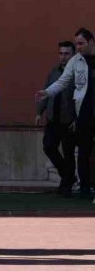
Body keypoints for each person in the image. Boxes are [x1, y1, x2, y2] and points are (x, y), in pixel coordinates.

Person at [37, 28, 95, 201]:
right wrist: (47, 92)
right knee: (83, 153)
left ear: (91, 41)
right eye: (76, 43)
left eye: (81, 43)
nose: (78, 47)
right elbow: (62, 82)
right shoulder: (76, 62)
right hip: (84, 113)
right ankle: (85, 189)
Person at [37, 41, 77, 197]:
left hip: (69, 120)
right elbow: (47, 92)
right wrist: (40, 112)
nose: (63, 57)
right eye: (61, 53)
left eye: (66, 54)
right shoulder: (54, 72)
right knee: (48, 146)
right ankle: (68, 177)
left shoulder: (76, 72)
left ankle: (66, 185)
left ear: (73, 55)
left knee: (68, 153)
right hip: (54, 118)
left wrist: (77, 118)